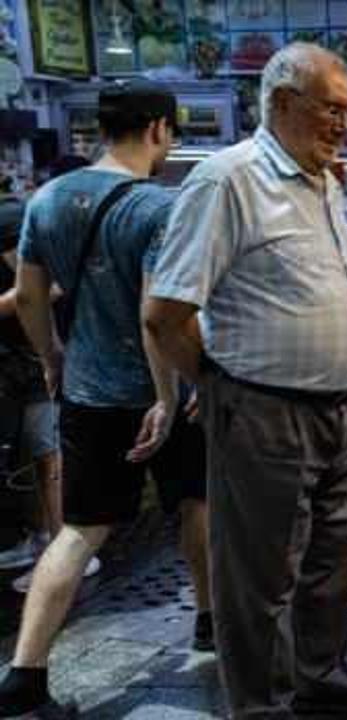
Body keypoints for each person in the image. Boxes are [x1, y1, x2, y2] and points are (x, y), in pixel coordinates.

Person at [142, 44, 347, 719]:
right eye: (331, 108)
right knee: (259, 574)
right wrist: (217, 388)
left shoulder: (323, 179)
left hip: (344, 406)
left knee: (334, 560)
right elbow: (165, 314)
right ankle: (258, 705)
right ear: (282, 102)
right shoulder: (229, 180)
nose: (344, 123)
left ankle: (319, 675)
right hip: (265, 410)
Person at [0, 80, 214, 718]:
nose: (170, 145)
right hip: (158, 394)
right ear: (156, 129)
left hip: (87, 392)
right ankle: (209, 618)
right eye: (172, 132)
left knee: (78, 531)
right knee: (194, 505)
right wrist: (174, 391)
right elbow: (161, 315)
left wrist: (52, 359)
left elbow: (31, 297)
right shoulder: (159, 206)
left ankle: (25, 674)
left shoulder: (46, 200)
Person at [0, 159, 102, 595]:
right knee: (36, 453)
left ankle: (66, 551)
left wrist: (49, 353)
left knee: (48, 455)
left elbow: (40, 288)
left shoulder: (10, 217)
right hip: (27, 360)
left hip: (36, 358)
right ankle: (42, 538)